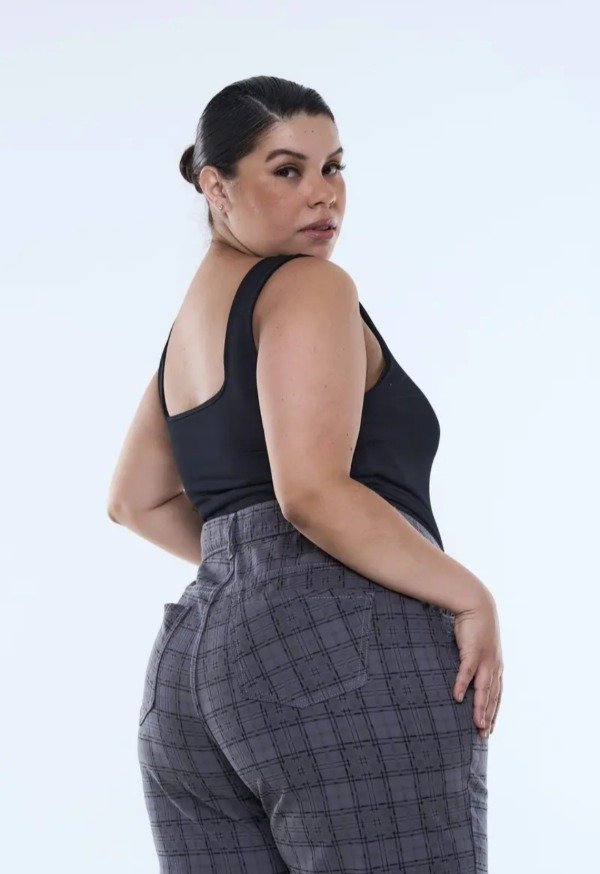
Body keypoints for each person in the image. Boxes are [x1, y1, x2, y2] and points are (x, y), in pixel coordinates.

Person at [108, 75, 502, 873]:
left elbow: (135, 500)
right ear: (215, 186)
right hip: (342, 655)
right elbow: (313, 493)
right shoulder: (308, 285)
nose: (325, 195)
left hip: (191, 673)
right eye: (288, 170)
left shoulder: (192, 325)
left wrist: (251, 574)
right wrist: (469, 594)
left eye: (334, 167)